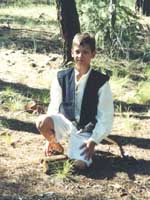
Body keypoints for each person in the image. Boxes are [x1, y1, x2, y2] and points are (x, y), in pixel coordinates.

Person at [36, 33, 114, 170]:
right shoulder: (61, 77)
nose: (80, 56)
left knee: (79, 165)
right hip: (65, 122)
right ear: (72, 52)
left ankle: (71, 155)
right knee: (42, 121)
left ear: (93, 54)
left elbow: (105, 116)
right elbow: (54, 108)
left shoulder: (101, 82)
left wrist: (94, 140)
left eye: (85, 52)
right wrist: (50, 140)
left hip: (85, 129)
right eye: (77, 52)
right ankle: (56, 147)